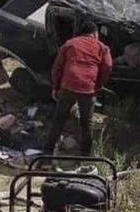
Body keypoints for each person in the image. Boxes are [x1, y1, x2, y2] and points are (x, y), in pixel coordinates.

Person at [44, 21, 113, 156]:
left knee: (59, 119)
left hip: (68, 86)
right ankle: (85, 155)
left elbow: (57, 68)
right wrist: (98, 84)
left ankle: (47, 150)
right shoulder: (102, 47)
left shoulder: (70, 44)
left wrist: (55, 87)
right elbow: (108, 67)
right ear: (95, 33)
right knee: (86, 124)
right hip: (88, 88)